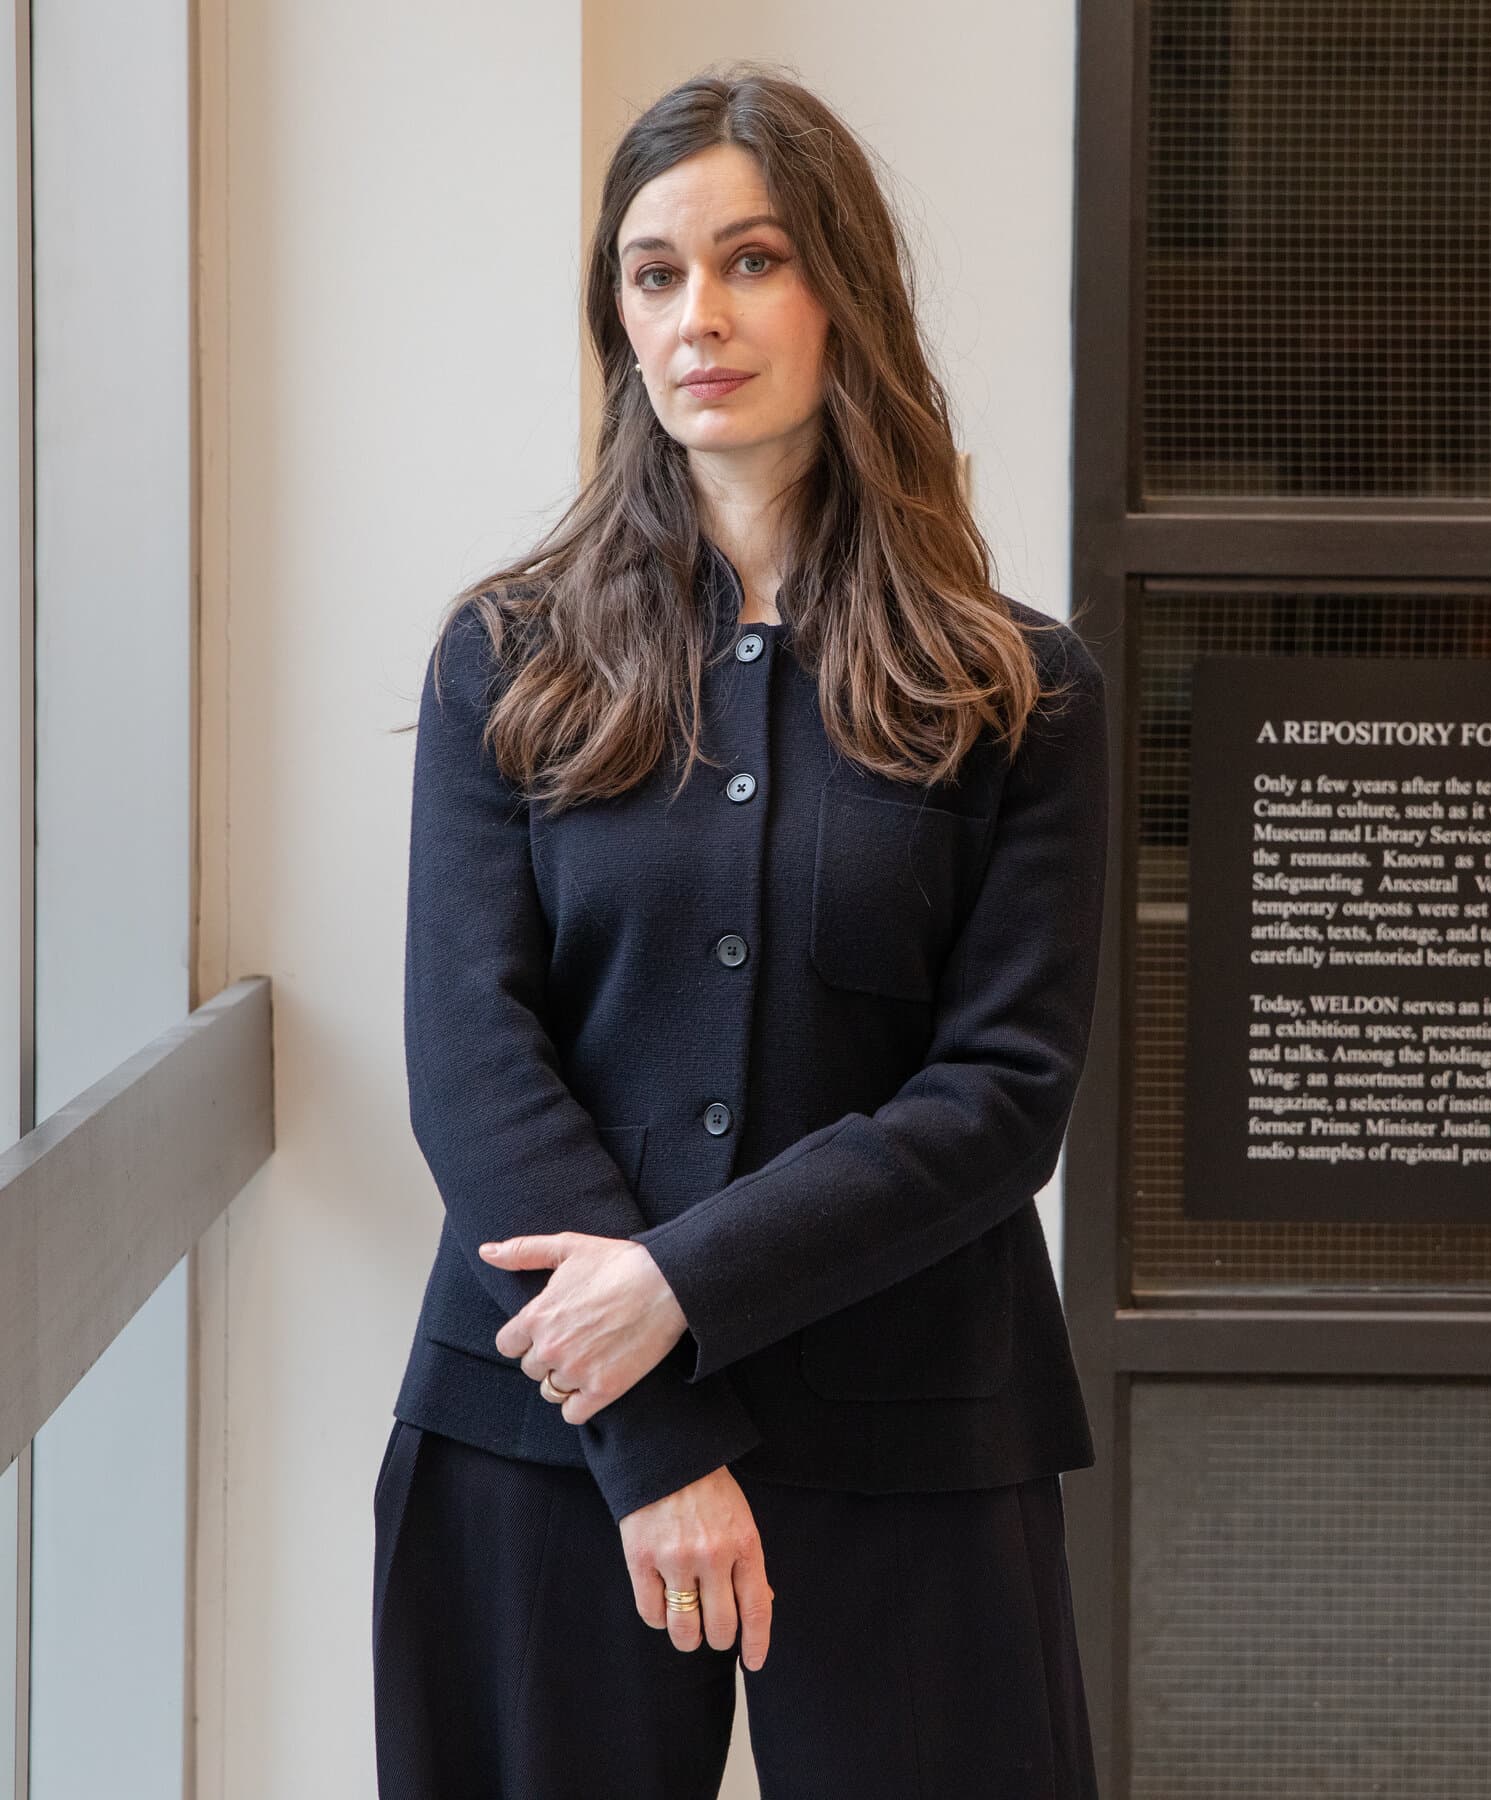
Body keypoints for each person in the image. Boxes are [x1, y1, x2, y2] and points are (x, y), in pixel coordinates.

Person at [372, 59, 1110, 1800]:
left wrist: (681, 1290)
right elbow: (473, 1060)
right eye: (654, 272)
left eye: (753, 259)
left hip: (915, 1427)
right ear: (618, 319)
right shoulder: (511, 656)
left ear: (843, 288)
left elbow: (1001, 1097)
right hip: (544, 1431)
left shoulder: (1018, 688)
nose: (699, 314)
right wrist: (654, 1424)